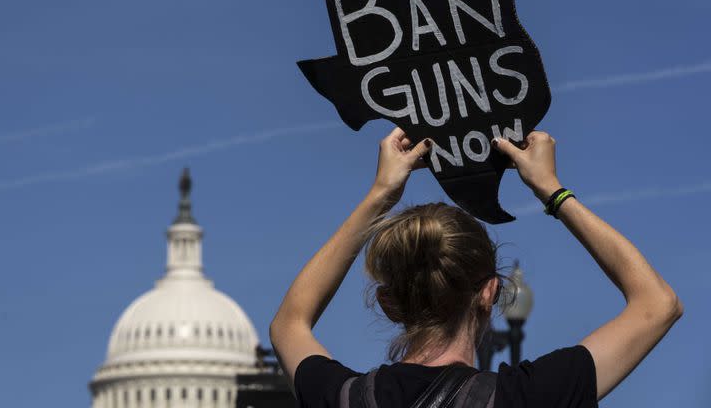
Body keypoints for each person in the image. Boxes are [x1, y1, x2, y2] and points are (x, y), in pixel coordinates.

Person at [269, 128, 683, 407]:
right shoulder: (527, 397)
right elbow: (656, 304)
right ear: (489, 292)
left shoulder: (347, 397)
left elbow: (290, 323)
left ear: (388, 303)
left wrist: (380, 195)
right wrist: (551, 189)